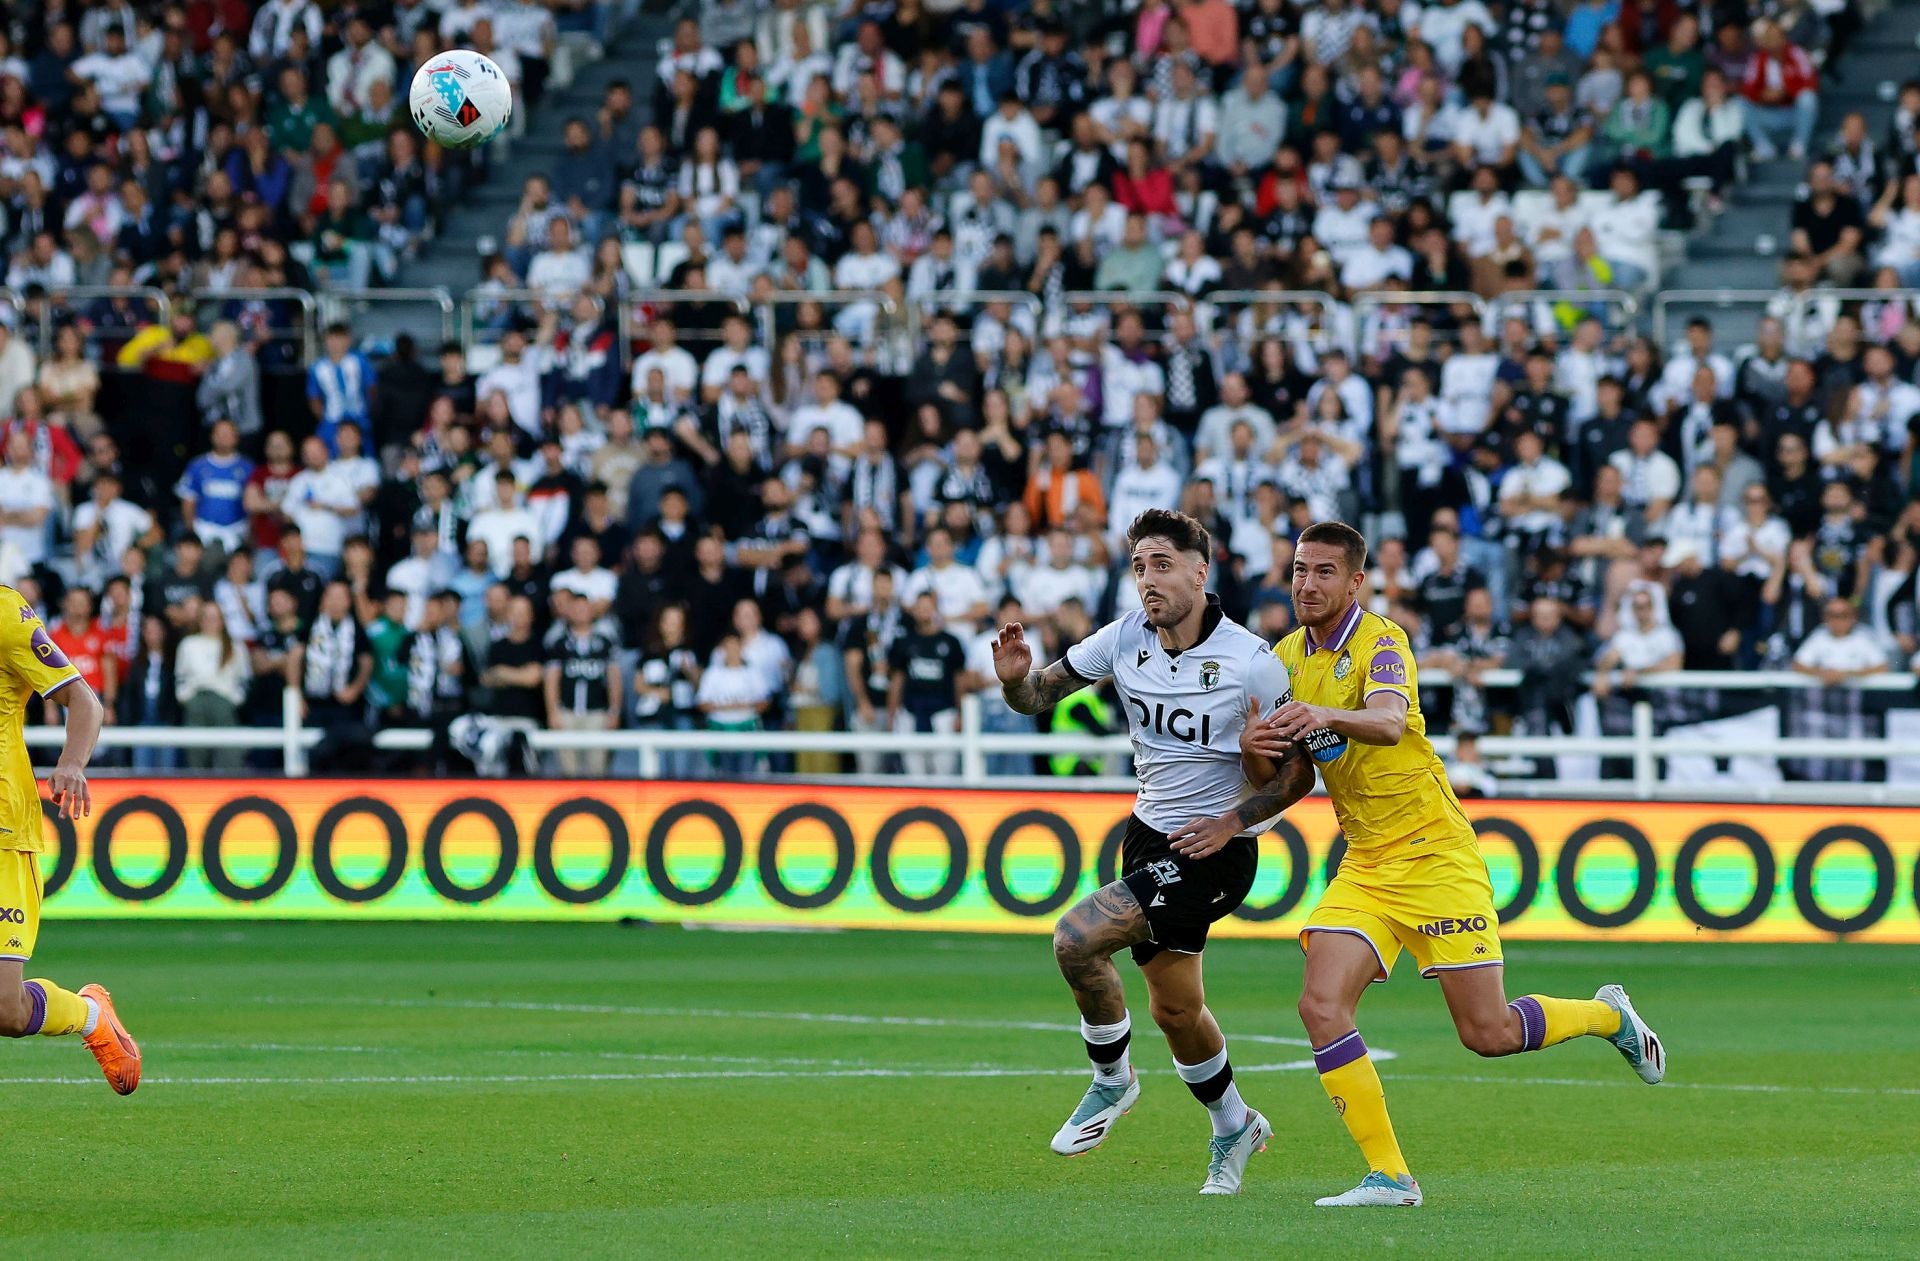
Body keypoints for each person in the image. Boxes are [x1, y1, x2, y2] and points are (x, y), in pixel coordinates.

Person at [1240, 522, 1664, 1208]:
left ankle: (1606, 1017)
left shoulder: (1383, 641)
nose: (1306, 584)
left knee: (1487, 1034)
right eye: (1298, 570)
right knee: (1320, 1004)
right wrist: (1251, 744)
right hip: (1367, 860)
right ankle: (1391, 1175)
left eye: (1324, 572)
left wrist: (1318, 712)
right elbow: (1285, 775)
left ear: (1355, 582)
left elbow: (1388, 722)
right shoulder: (1284, 657)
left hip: (1435, 853)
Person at [991, 509, 1313, 1195]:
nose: (1147, 579)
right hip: (1147, 837)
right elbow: (1035, 697)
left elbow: (1298, 775)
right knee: (1174, 1008)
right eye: (1138, 565)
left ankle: (1111, 1082)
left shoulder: (1252, 661)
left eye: (1162, 563)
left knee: (1077, 938)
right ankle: (1235, 1124)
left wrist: (1234, 820)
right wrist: (1014, 680)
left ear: (1201, 570)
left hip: (1217, 847)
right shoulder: (1125, 637)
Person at [0, 580, 138, 1092]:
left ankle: (89, 1015)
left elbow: (85, 702)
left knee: (6, 1012)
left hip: (4, 833)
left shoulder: (5, 614)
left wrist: (72, 763)